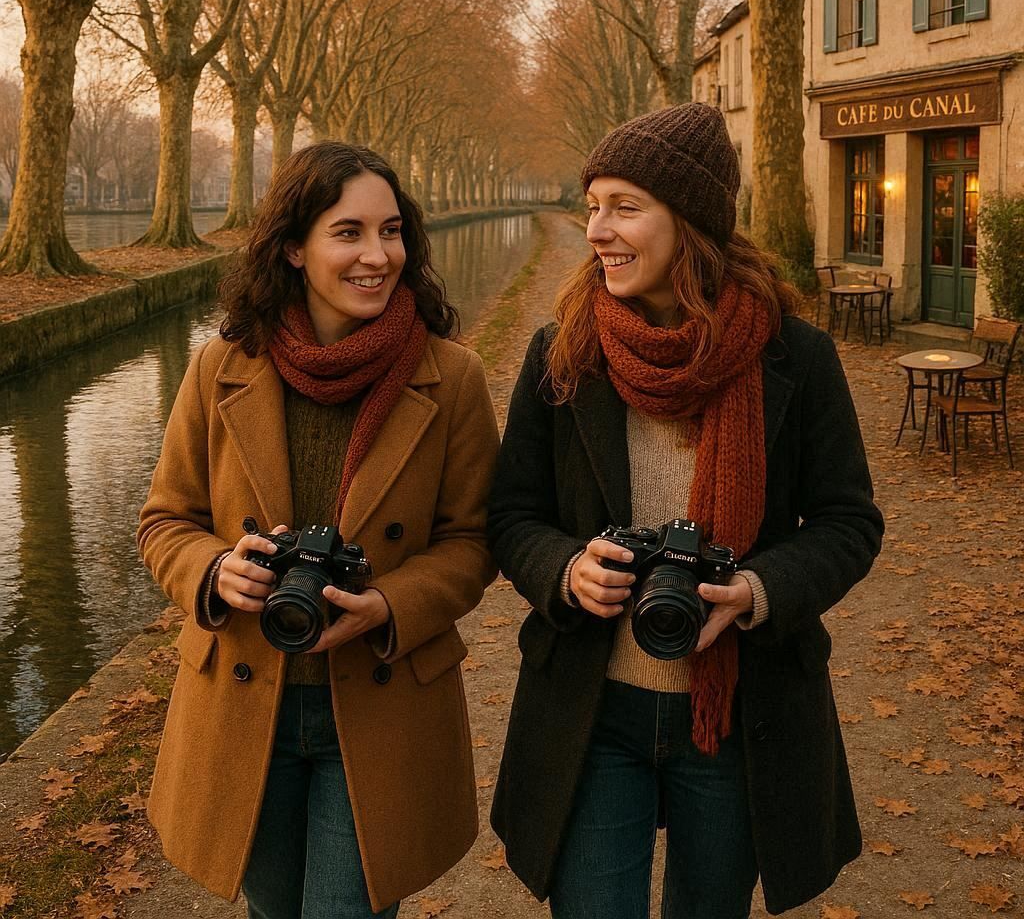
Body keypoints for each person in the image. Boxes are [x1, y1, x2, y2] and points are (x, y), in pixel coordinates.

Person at [488, 104, 884, 919]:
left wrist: (757, 591)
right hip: (593, 713)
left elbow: (850, 523)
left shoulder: (796, 358)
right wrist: (566, 570)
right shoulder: (561, 355)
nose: (597, 228)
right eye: (592, 203)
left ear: (692, 221)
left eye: (625, 206)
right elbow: (512, 517)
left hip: (740, 718)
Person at [138, 142, 499, 919]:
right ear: (294, 248)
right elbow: (166, 519)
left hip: (376, 701)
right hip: (245, 709)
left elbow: (474, 540)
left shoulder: (453, 376)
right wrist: (212, 572)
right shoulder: (219, 369)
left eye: (392, 231)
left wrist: (392, 605)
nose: (379, 256)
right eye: (349, 233)